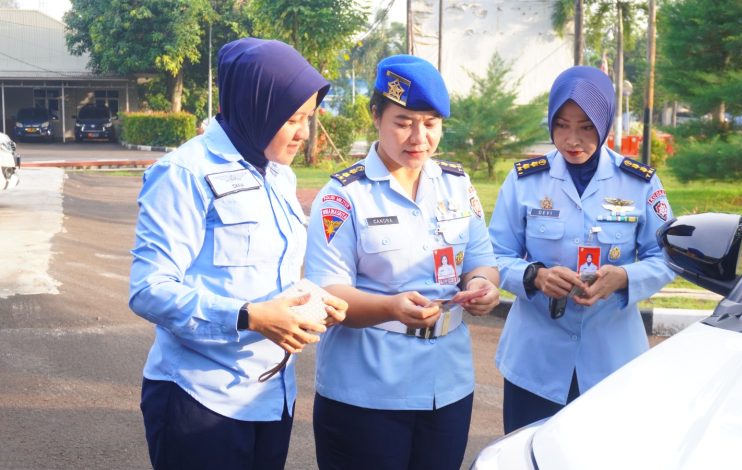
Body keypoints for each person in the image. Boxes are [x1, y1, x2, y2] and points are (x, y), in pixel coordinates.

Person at [128, 38, 347, 470]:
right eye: (292, 119)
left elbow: (268, 272)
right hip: (200, 398)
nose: (304, 133)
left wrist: (311, 300)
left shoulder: (277, 173)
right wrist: (249, 317)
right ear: (256, 107)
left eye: (308, 118)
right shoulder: (184, 173)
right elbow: (149, 290)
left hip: (270, 397)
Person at [304, 54, 501, 470]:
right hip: (367, 391)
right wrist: (391, 308)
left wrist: (483, 285)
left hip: (447, 386)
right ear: (376, 116)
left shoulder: (456, 185)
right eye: (404, 122)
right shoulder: (343, 197)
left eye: (430, 123)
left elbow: (481, 259)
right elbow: (328, 293)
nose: (418, 137)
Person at [489, 66, 675, 434]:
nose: (572, 139)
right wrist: (535, 276)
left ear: (604, 123)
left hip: (612, 363)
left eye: (586, 127)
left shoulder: (639, 182)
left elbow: (668, 256)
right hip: (535, 363)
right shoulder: (525, 180)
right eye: (561, 125)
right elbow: (494, 254)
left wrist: (624, 278)